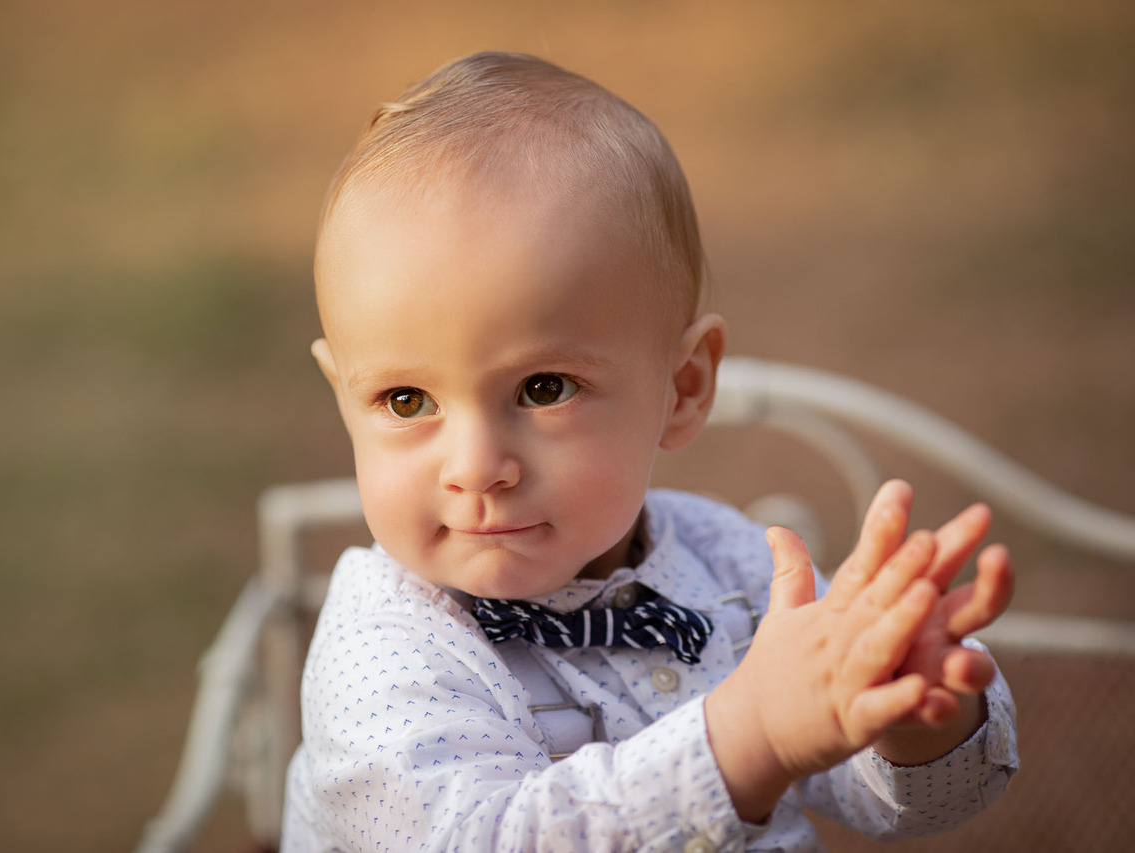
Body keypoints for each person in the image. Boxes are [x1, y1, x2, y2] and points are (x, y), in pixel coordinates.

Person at [282, 51, 1017, 852]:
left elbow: (920, 801)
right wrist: (750, 736)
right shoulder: (385, 646)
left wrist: (905, 714)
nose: (476, 466)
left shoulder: (728, 566)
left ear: (685, 384)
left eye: (542, 388)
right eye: (405, 400)